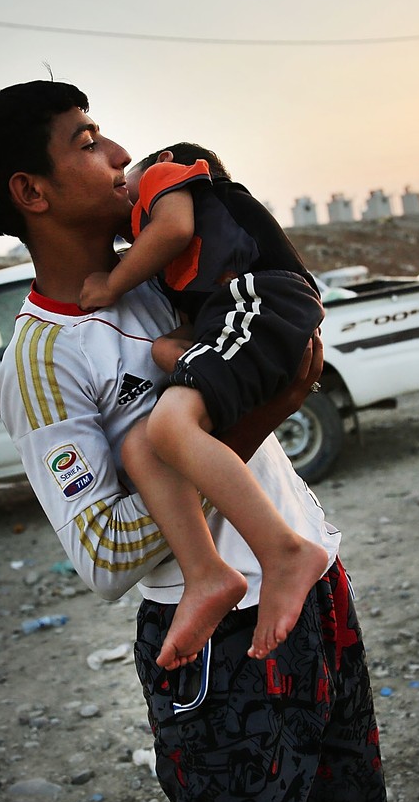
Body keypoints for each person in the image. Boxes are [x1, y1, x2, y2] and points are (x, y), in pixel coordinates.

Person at [0, 80, 389, 802]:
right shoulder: (43, 359)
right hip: (226, 650)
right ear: (30, 192)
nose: (120, 158)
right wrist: (268, 412)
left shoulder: (172, 276)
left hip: (316, 591)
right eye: (87, 142)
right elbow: (106, 555)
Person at [77, 143, 330, 669]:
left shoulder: (171, 178)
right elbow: (190, 333)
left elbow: (168, 229)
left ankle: (283, 551)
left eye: (129, 180)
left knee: (170, 427)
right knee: (144, 446)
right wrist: (168, 351)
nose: (120, 174)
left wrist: (112, 283)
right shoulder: (193, 267)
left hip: (265, 299)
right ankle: (206, 573)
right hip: (242, 314)